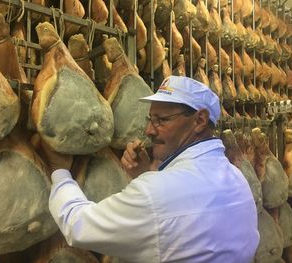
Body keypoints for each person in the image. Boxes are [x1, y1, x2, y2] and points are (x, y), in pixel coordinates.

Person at [44, 76, 259, 263]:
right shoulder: (236, 178)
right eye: (150, 119)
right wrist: (146, 174)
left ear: (199, 121)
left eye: (161, 120)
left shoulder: (156, 193)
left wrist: (60, 171)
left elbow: (78, 226)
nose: (148, 131)